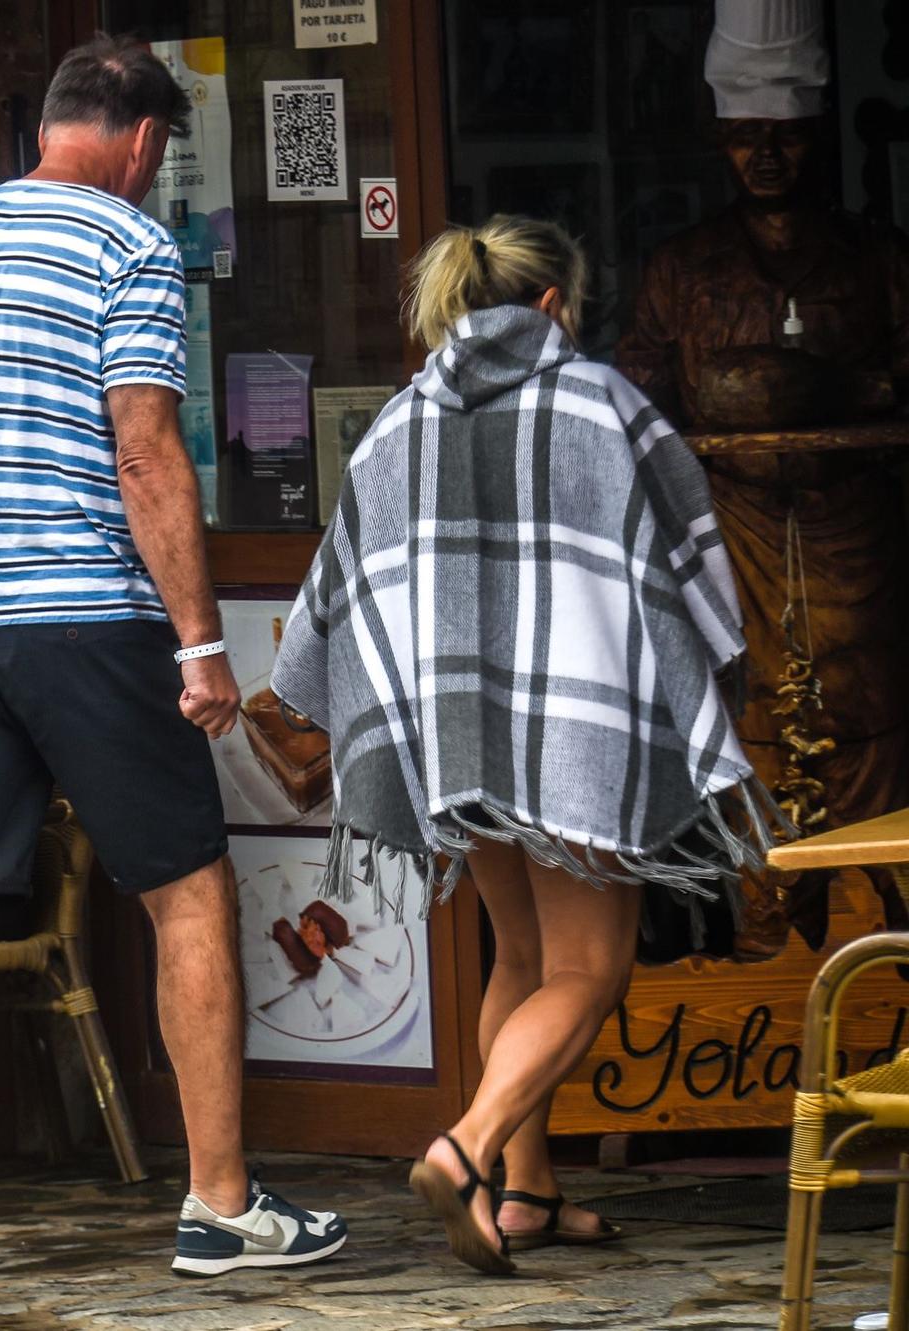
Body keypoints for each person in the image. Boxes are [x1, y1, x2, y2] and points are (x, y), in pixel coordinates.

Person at [0, 34, 348, 1312]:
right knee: (185, 895)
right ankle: (220, 1204)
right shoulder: (127, 245)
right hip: (83, 626)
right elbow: (145, 452)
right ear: (145, 141)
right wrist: (203, 641)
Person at [272, 216, 776, 1275]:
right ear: (552, 304)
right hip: (575, 732)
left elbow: (338, 594)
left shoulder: (397, 421)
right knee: (587, 968)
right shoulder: (599, 405)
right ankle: (465, 1149)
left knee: (520, 956)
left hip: (456, 744)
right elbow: (687, 567)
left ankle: (527, 1194)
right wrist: (716, 681)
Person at [616, 0, 909, 960]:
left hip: (853, 539)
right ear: (719, 137)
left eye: (785, 133)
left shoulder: (876, 261)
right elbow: (638, 396)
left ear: (815, 130)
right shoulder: (681, 269)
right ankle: (760, 947)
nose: (767, 155)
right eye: (747, 136)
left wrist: (847, 392)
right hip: (729, 535)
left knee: (867, 717)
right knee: (748, 721)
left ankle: (877, 946)